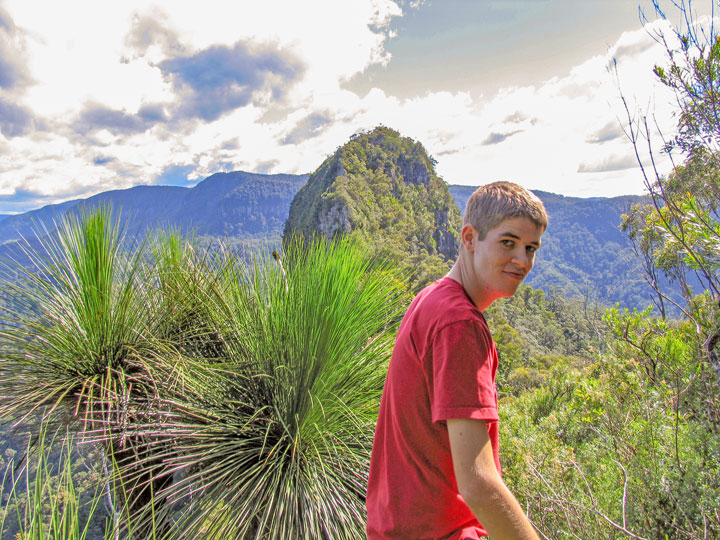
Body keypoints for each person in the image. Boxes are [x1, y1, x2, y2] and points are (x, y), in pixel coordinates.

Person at [366, 181, 548, 540]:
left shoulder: (431, 298)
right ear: (469, 238)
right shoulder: (459, 325)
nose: (523, 261)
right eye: (508, 243)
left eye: (531, 248)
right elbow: (478, 483)